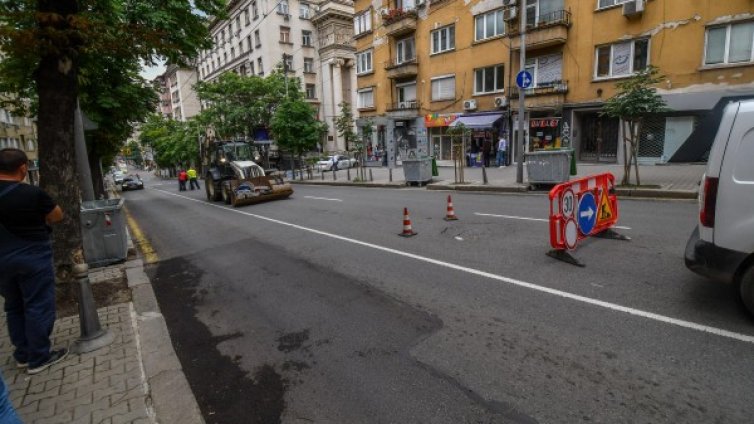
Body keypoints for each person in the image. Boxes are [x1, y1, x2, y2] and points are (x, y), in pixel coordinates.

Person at [0, 148, 69, 376]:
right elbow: (57, 215)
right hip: (32, 257)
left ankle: (22, 354)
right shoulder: (31, 193)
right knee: (37, 305)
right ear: (22, 168)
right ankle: (39, 357)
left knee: (13, 306)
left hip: (2, 261)